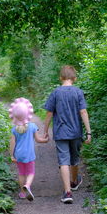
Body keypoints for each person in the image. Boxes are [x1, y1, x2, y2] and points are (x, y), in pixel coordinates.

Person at [43, 65, 91, 204]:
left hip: (60, 132)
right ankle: (74, 181)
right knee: (74, 158)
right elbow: (83, 112)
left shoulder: (56, 93)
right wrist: (88, 132)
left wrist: (45, 131)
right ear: (74, 78)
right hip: (76, 132)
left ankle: (68, 191)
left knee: (63, 160)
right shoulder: (78, 92)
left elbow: (49, 113)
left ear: (61, 78)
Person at [9, 97, 48, 201]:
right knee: (31, 172)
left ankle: (22, 192)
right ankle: (28, 185)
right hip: (29, 154)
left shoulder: (14, 129)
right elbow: (38, 139)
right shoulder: (32, 126)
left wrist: (12, 155)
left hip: (18, 154)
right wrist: (45, 140)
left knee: (21, 173)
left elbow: (12, 143)